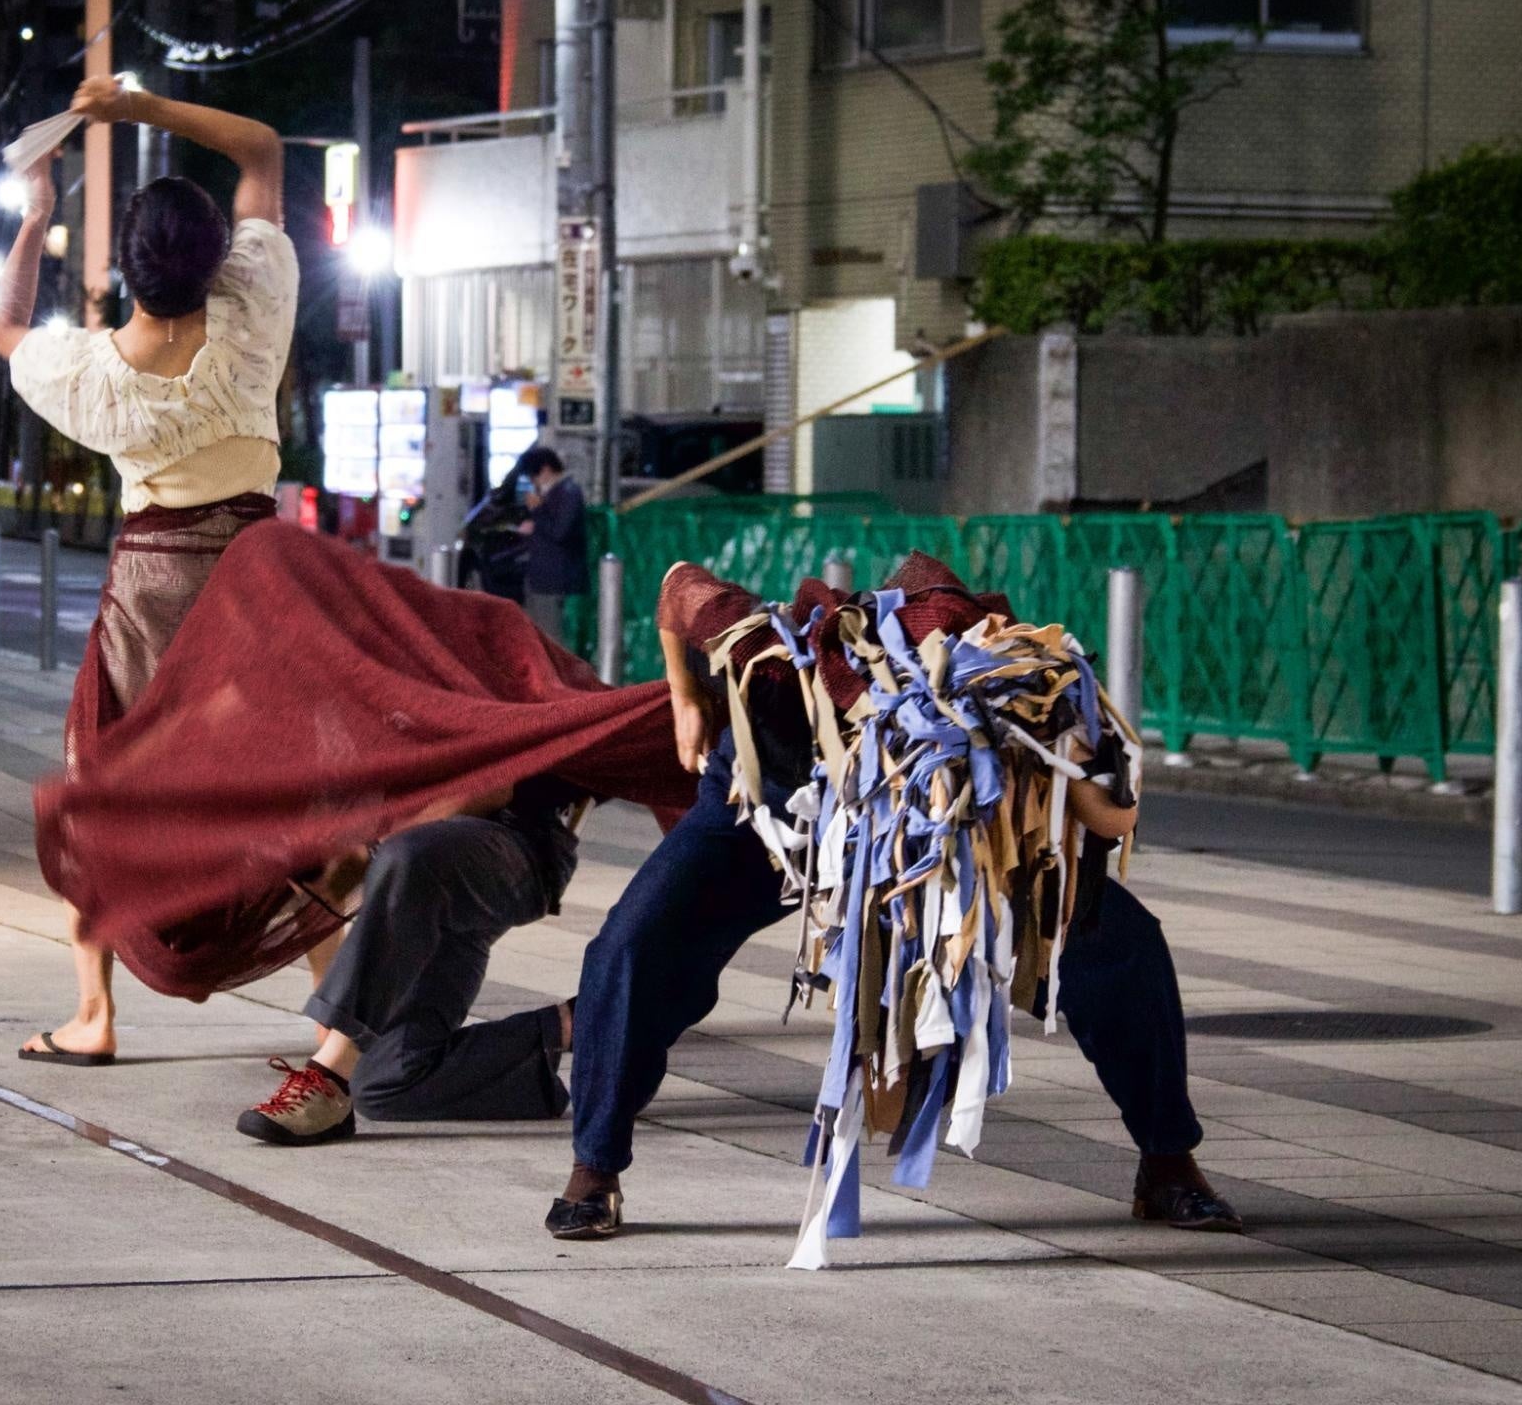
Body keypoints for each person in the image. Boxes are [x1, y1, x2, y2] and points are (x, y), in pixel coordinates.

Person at [545, 556, 1242, 1241]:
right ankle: (592, 1171)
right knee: (632, 946)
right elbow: (676, 583)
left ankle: (1168, 1163)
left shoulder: (990, 693)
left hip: (940, 826)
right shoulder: (777, 658)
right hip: (771, 809)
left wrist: (1091, 783)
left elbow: (1102, 817)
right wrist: (685, 697)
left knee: (1116, 943)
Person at [0, 73, 305, 1065]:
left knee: (104, 790)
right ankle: (342, 1007)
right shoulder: (254, 306)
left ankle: (95, 1015)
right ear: (217, 256)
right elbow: (260, 147)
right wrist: (140, 108)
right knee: (279, 793)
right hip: (256, 580)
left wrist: (38, 217)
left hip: (150, 588)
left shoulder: (86, 374)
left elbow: (3, 333)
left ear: (125, 271)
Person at [236, 777, 586, 1145]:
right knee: (383, 1081)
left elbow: (491, 786)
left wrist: (371, 849)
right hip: (424, 858)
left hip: (518, 841)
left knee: (408, 855)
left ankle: (328, 1080)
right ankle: (586, 1021)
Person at [517, 447, 586, 645]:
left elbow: (559, 531)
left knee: (552, 639)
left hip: (556, 582)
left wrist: (538, 511)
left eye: (533, 475)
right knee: (541, 637)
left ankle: (552, 676)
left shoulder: (568, 492)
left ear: (546, 469)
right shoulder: (554, 493)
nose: (533, 482)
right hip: (543, 580)